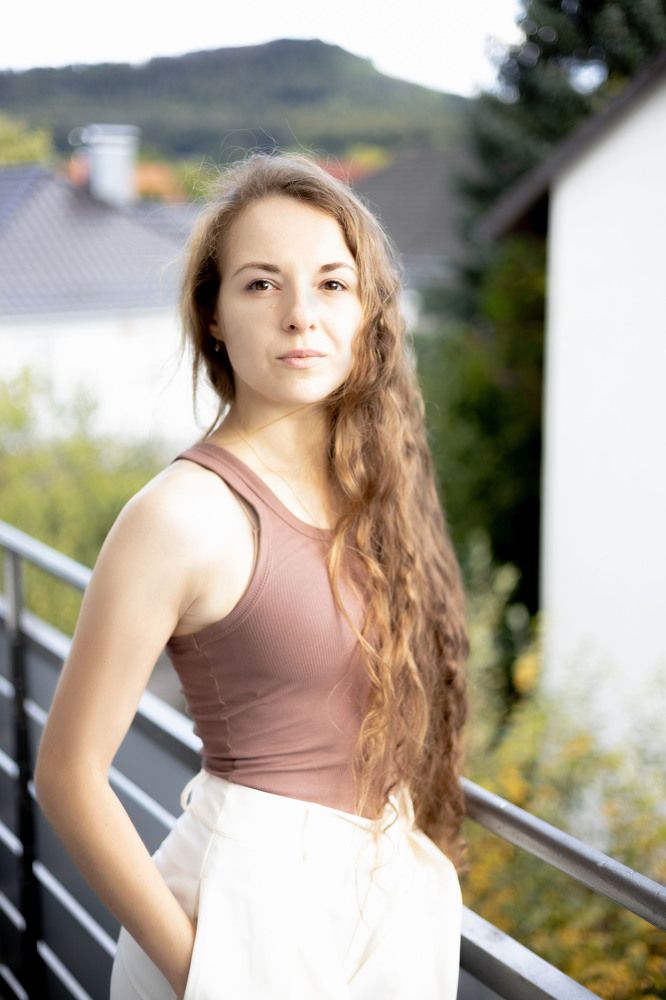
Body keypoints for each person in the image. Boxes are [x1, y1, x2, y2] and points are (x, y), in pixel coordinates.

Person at [34, 152, 468, 999]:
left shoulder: (374, 493)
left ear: (368, 311)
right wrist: (204, 971)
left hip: (379, 911)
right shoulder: (179, 515)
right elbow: (67, 774)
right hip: (245, 917)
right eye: (262, 284)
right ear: (215, 316)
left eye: (332, 284)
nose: (301, 314)